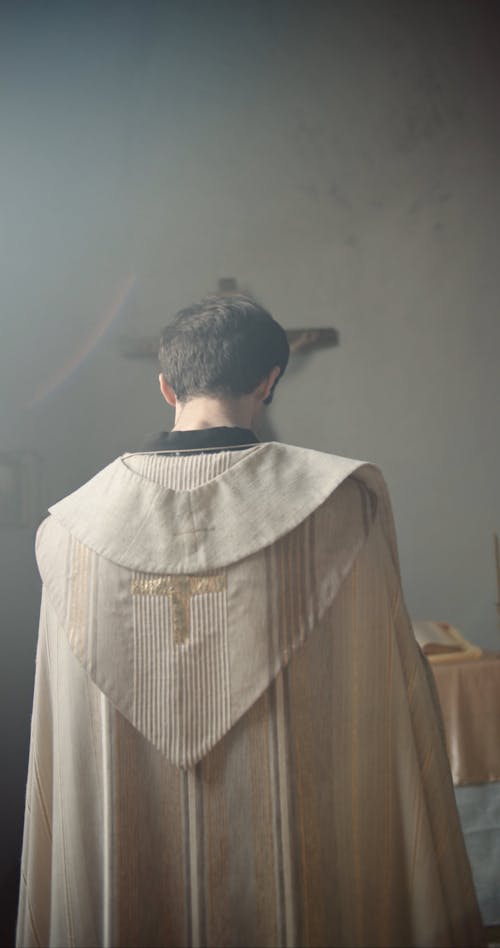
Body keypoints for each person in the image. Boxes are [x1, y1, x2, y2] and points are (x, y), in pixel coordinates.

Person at [17, 295, 483, 948]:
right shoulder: (343, 503)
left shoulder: (70, 528)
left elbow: (64, 731)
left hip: (127, 845)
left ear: (166, 386)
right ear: (269, 381)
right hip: (298, 847)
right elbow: (378, 694)